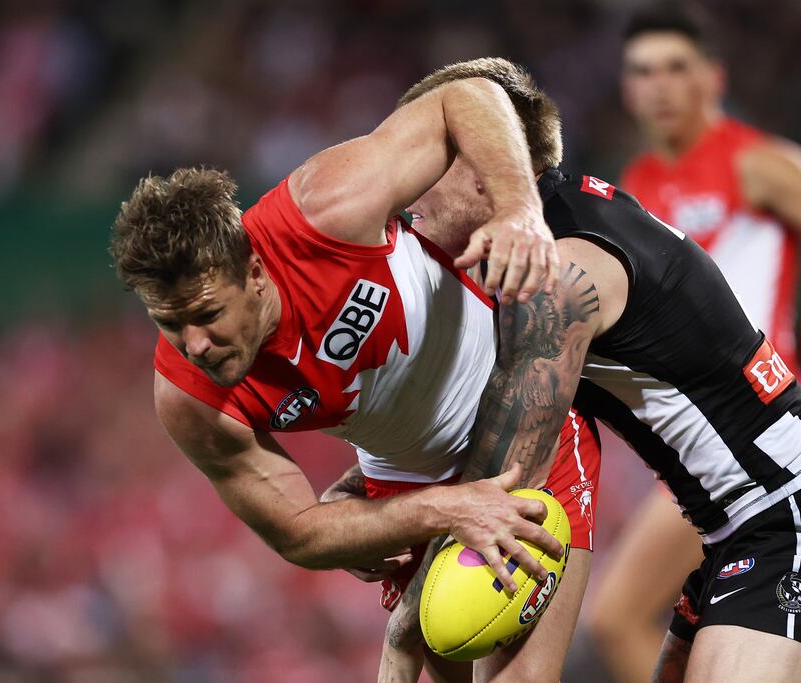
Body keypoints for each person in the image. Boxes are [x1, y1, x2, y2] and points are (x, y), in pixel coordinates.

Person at [375, 58, 801, 683]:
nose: (405, 186)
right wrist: (373, 480)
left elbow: (513, 472)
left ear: (486, 168)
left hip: (798, 518)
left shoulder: (560, 276)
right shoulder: (562, 227)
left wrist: (397, 574)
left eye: (427, 160)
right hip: (747, 527)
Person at [109, 77, 604, 683]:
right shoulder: (190, 400)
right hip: (406, 487)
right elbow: (297, 532)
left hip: (524, 424)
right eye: (169, 323)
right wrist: (441, 509)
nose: (195, 346)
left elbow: (466, 97)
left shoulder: (324, 210)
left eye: (208, 314)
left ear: (256, 272)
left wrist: (518, 209)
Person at [587, 6, 801, 683]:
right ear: (625, 87)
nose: (660, 86)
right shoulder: (635, 186)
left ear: (713, 78)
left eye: (677, 68)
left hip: (761, 425)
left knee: (615, 615)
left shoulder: (756, 163)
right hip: (707, 436)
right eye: (643, 71)